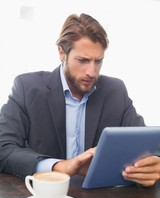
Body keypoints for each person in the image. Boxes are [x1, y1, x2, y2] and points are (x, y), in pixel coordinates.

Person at [0, 13, 160, 187]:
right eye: (83, 60)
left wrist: (154, 163)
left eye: (98, 61)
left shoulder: (116, 90)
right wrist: (59, 166)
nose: (91, 72)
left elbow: (148, 144)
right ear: (62, 52)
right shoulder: (26, 87)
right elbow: (4, 148)